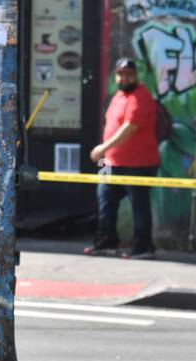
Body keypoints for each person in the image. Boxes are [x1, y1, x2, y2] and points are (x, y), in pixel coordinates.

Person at [84, 58, 160, 259]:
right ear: (116, 76)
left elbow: (129, 129)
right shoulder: (118, 96)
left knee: (139, 205)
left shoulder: (140, 97)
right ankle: (106, 242)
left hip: (139, 164)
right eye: (121, 74)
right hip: (112, 163)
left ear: (136, 75)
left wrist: (103, 148)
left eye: (129, 74)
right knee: (105, 200)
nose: (125, 77)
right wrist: (107, 153)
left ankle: (143, 247)